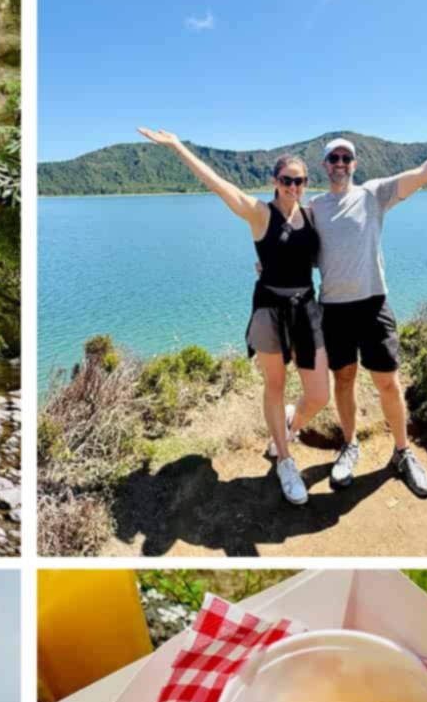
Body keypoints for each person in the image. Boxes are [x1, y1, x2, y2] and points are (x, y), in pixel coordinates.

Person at [307, 106, 427, 499]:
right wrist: (268, 265)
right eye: (334, 158)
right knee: (343, 380)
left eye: (346, 157)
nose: (340, 163)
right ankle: (350, 445)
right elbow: (298, 250)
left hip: (373, 304)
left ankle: (402, 452)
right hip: (335, 309)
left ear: (354, 163)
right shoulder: (313, 208)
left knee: (388, 384)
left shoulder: (375, 194)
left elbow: (424, 173)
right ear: (325, 165)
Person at [136, 128, 327, 506]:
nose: (293, 186)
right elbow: (218, 183)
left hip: (307, 308)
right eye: (287, 180)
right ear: (275, 181)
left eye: (300, 181)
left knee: (318, 394)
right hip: (270, 309)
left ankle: (288, 425)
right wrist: (177, 147)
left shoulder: (312, 213)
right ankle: (284, 461)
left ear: (306, 183)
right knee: (275, 384)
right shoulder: (259, 214)